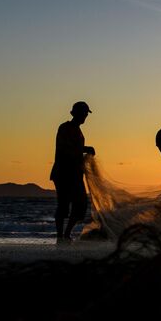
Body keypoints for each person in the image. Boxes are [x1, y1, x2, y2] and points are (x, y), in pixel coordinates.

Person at [50, 101, 95, 244]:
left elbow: (75, 148)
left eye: (86, 114)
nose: (85, 117)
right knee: (63, 205)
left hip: (75, 174)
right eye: (84, 113)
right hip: (63, 173)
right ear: (76, 114)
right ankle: (60, 236)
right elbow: (66, 148)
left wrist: (86, 149)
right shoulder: (65, 128)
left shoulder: (79, 131)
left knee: (80, 205)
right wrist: (84, 150)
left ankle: (66, 234)